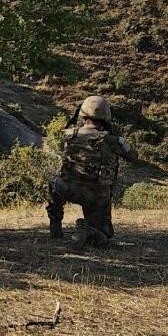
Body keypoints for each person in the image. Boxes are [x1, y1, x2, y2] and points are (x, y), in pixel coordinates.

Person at [46, 95, 137, 248]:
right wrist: (119, 140)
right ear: (106, 116)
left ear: (83, 114)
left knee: (53, 183)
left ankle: (55, 228)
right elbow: (133, 156)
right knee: (104, 234)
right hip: (96, 195)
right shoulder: (112, 140)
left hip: (68, 189)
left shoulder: (69, 134)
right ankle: (91, 231)